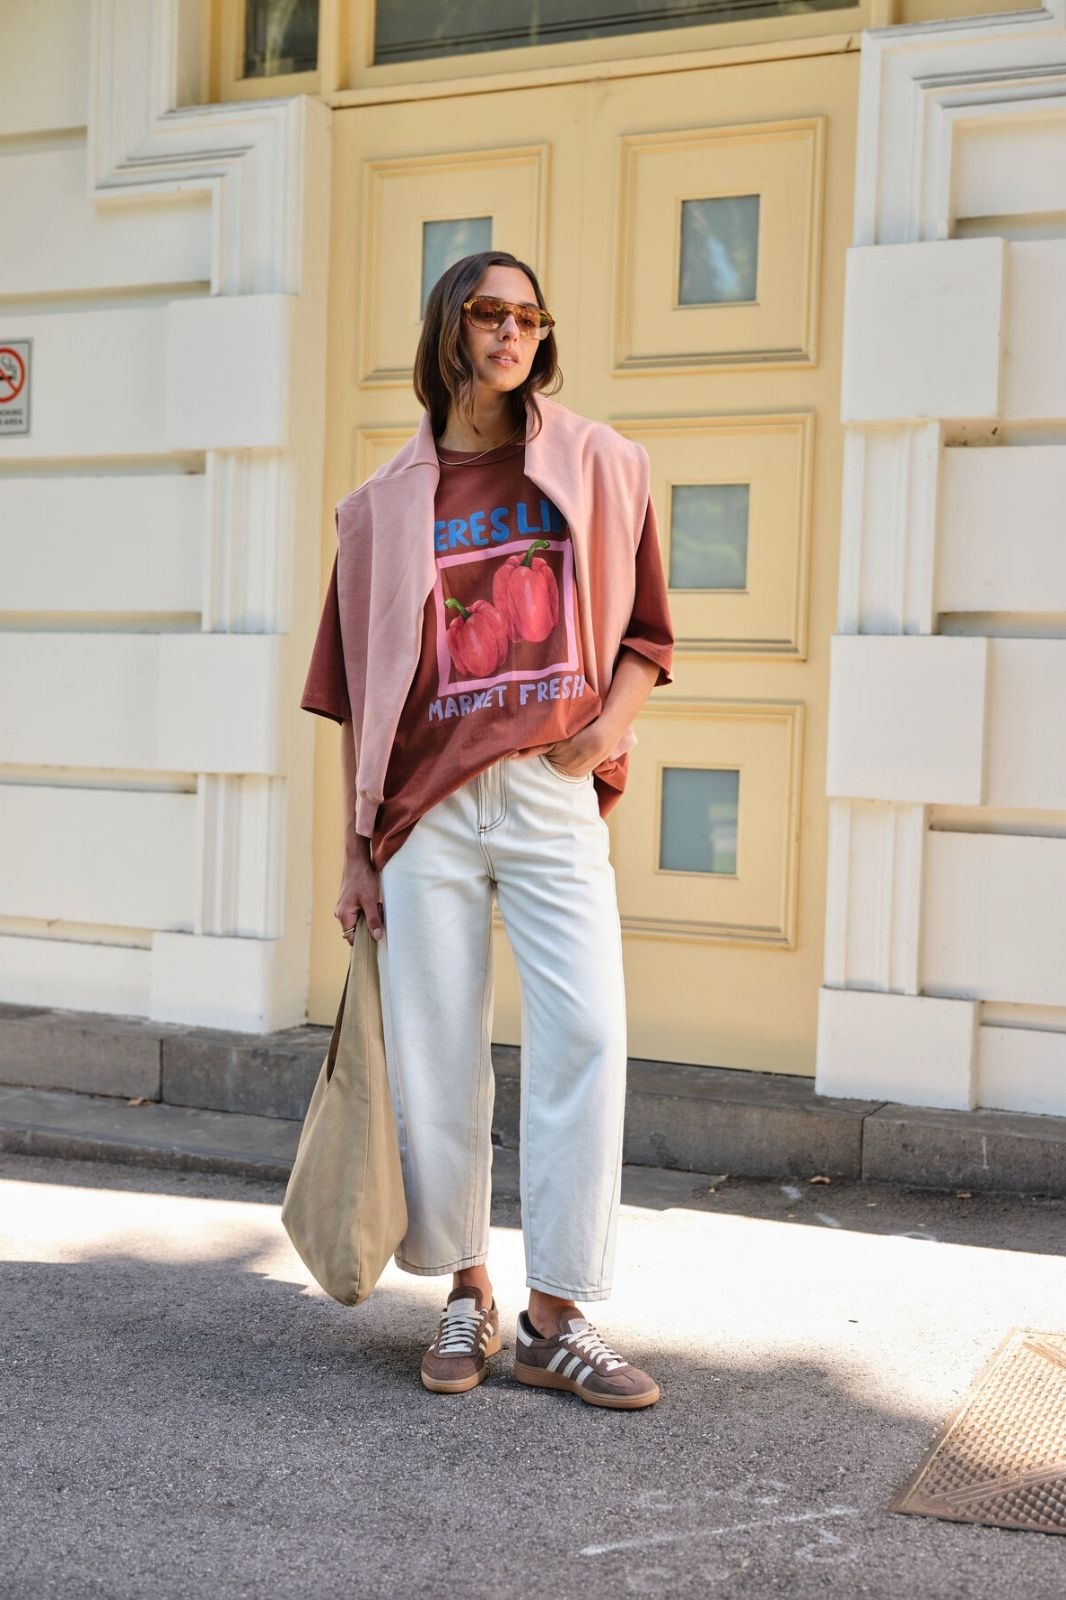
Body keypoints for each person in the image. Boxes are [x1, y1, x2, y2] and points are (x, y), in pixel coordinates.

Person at [300, 250, 675, 1410]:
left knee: (588, 1033)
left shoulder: (602, 464)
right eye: (487, 312)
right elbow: (357, 697)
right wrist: (357, 851)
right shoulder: (378, 509)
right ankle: (466, 1288)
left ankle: (557, 1314)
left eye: (528, 316)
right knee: (438, 1056)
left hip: (550, 790)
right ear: (448, 329)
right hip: (428, 813)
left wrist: (603, 730)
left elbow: (647, 637)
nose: (511, 332)